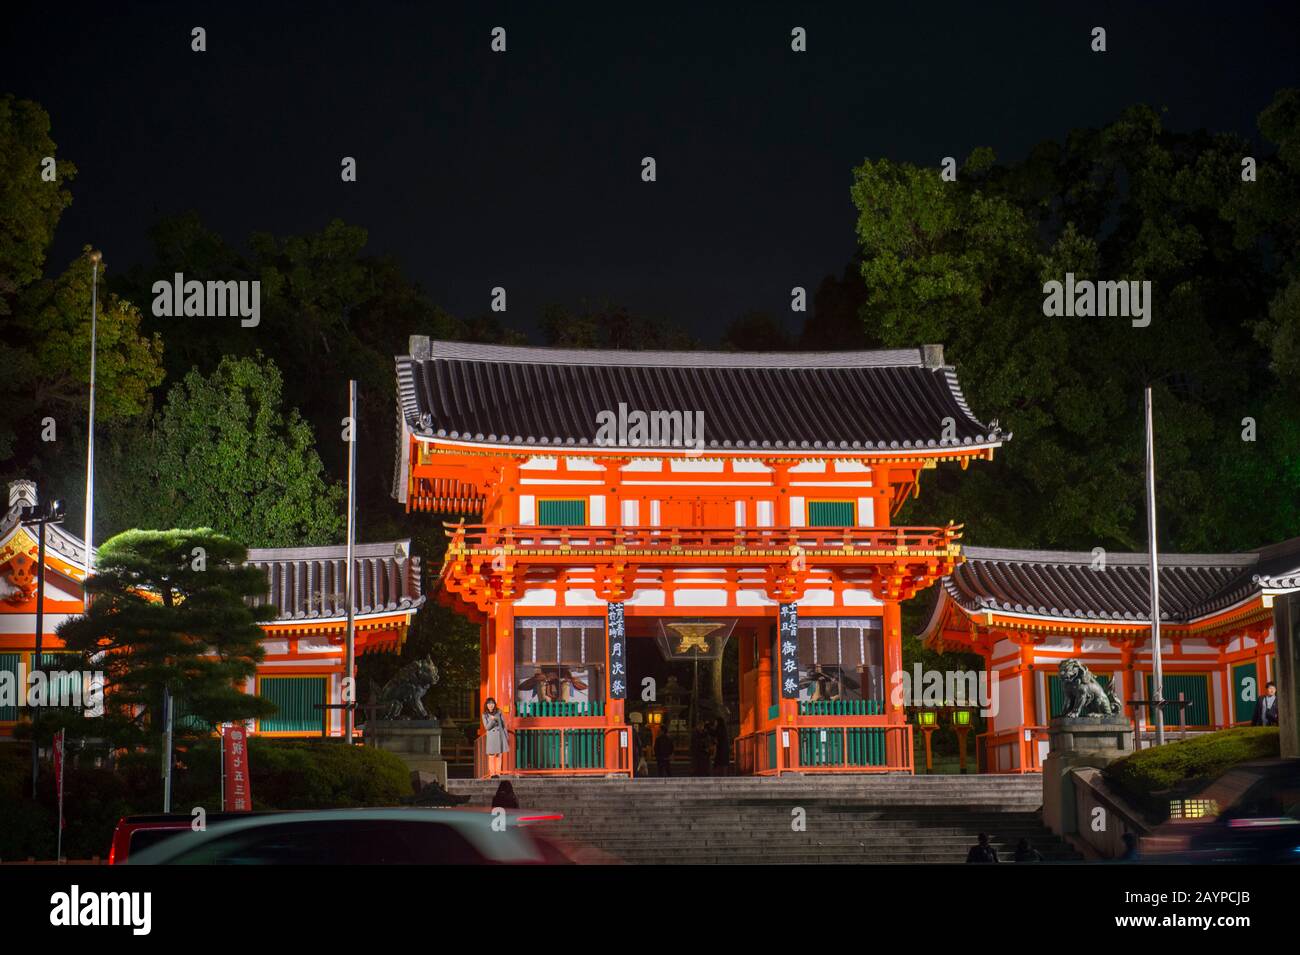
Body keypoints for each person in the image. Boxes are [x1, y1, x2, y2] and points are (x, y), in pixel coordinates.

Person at [482, 697, 509, 777]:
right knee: (491, 755)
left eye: (492, 703)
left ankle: (498, 773)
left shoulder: (499, 712)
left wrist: (506, 736)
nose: (491, 705)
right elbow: (487, 727)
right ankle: (492, 773)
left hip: (500, 735)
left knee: (499, 755)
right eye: (489, 704)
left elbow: (503, 724)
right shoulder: (485, 714)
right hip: (491, 737)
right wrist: (493, 720)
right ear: (486, 705)